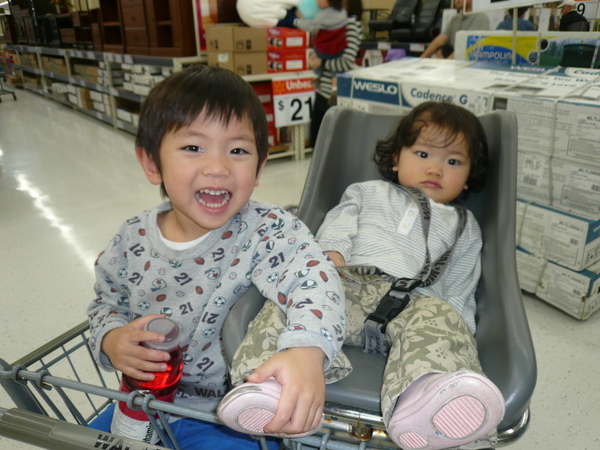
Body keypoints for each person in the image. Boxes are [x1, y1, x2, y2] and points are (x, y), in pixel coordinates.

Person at [86, 65, 346, 446]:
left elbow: (316, 279)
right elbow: (106, 304)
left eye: (238, 150)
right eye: (193, 147)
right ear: (151, 162)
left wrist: (306, 352)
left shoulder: (268, 229)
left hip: (236, 411)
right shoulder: (131, 239)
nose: (218, 167)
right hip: (143, 401)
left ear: (260, 166)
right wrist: (111, 339)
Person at [221, 101, 505, 450]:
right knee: (287, 304)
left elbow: (462, 285)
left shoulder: (464, 225)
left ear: (468, 176)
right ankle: (268, 385)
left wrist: (460, 335)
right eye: (422, 153)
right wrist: (327, 268)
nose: (436, 168)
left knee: (444, 320)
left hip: (416, 305)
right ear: (397, 159)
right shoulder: (367, 191)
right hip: (347, 286)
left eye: (453, 161)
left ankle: (424, 398)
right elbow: (337, 230)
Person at [308, 0, 363, 148]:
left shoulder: (351, 24)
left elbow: (346, 62)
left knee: (334, 147)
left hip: (337, 96)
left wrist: (322, 63)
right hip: (322, 92)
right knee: (317, 145)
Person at [420, 0, 490, 59]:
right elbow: (439, 40)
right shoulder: (455, 19)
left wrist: (444, 65)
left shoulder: (480, 18)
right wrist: (421, 59)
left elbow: (466, 48)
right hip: (453, 65)